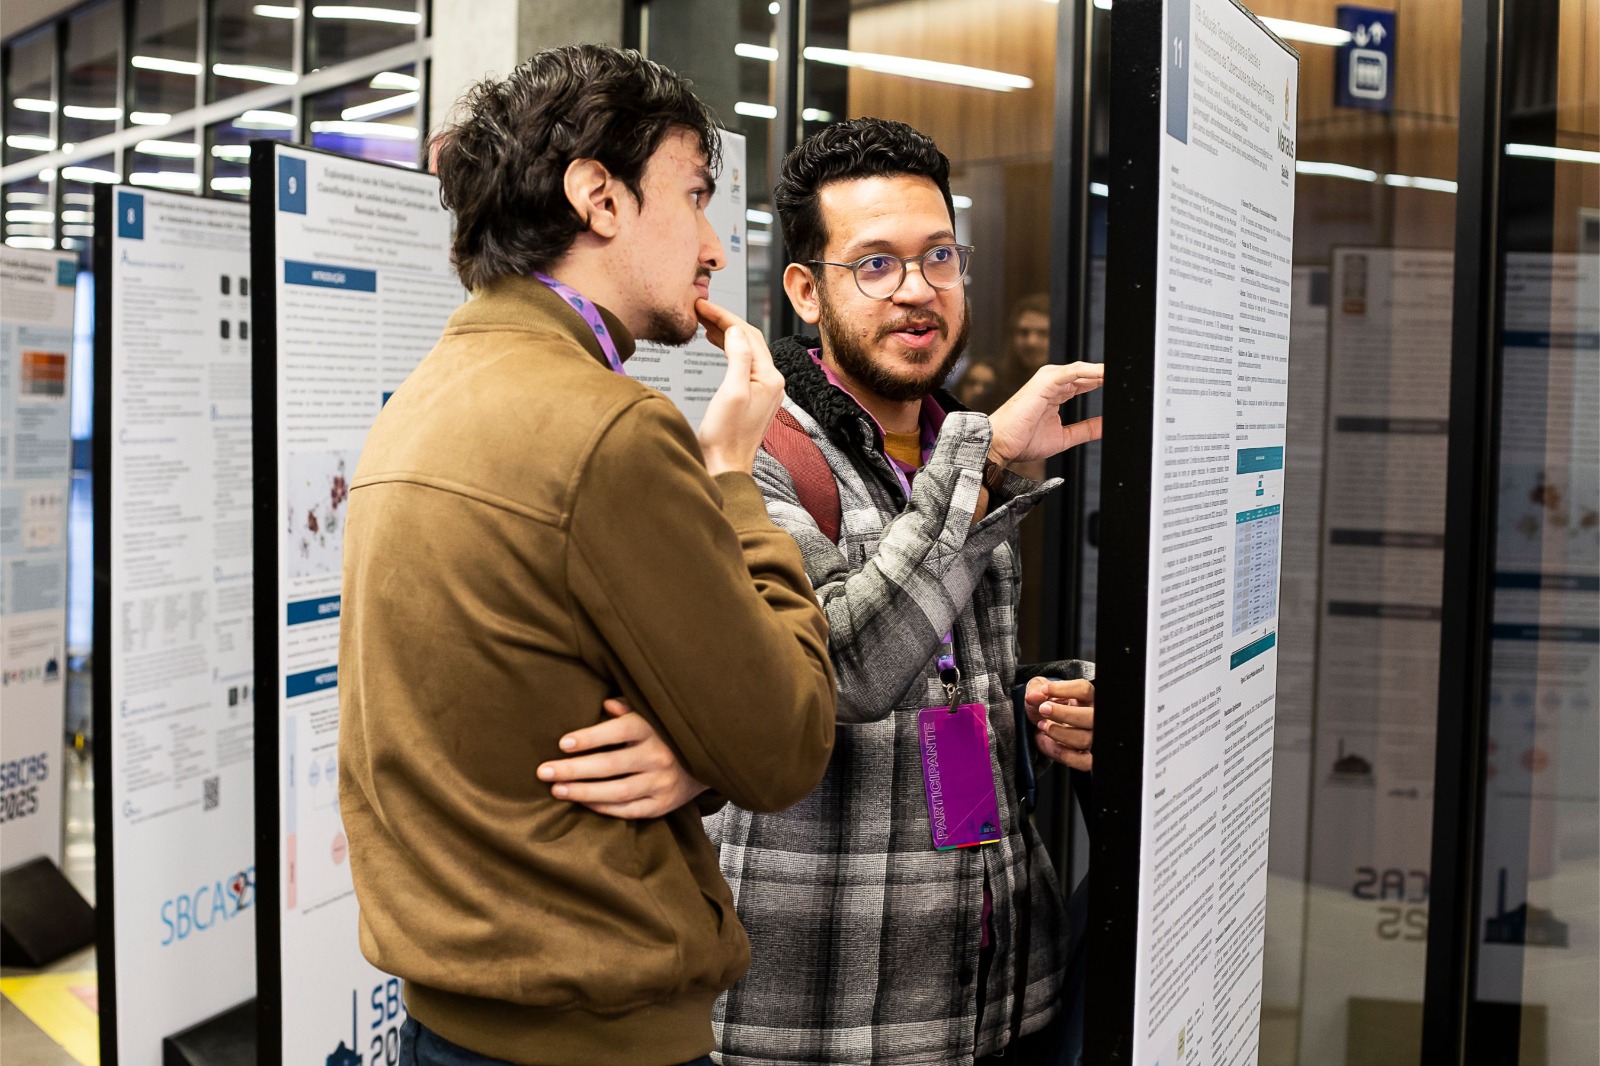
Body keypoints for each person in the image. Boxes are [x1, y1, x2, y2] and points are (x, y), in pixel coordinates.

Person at [337, 45, 837, 1066]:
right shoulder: (609, 430)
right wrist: (731, 472)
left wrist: (693, 752)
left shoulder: (422, 399)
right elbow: (786, 739)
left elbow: (523, 689)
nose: (711, 245)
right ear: (598, 197)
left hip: (450, 1019)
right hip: (594, 1038)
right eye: (693, 197)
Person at [711, 118, 1100, 1063]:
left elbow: (943, 679)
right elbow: (843, 670)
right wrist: (988, 458)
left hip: (1002, 1000)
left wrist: (1047, 701)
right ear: (806, 291)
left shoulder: (944, 445)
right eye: (876, 265)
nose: (919, 289)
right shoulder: (752, 460)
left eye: (939, 256)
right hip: (828, 1023)